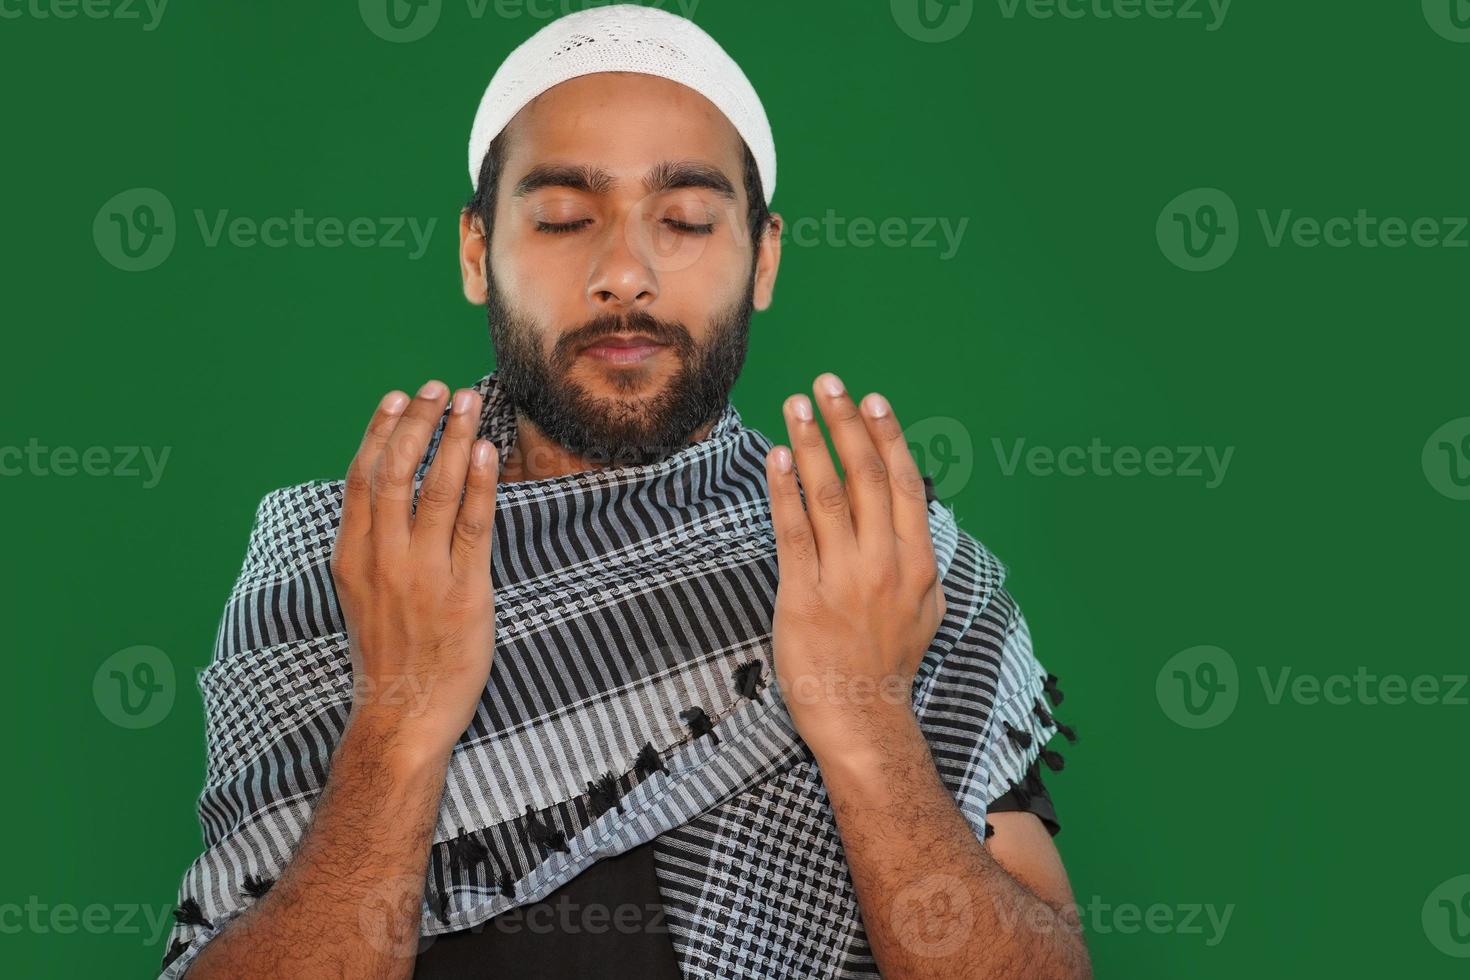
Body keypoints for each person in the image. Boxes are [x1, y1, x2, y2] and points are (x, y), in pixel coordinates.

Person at [158, 6, 1090, 977]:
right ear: (478, 253)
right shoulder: (350, 559)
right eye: (563, 217)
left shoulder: (886, 561)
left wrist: (869, 728)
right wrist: (396, 724)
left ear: (763, 257)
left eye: (685, 220)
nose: (625, 274)